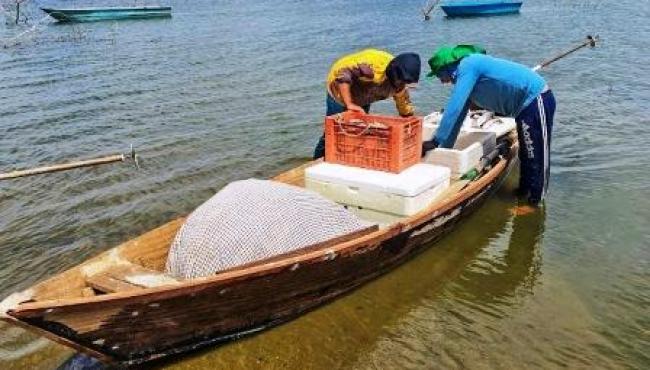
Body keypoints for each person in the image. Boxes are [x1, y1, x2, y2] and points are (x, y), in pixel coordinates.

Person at [423, 45, 556, 206]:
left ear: (446, 67)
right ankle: (524, 191)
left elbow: (455, 106)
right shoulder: (466, 76)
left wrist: (436, 140)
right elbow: (458, 116)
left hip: (536, 99)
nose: (442, 81)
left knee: (536, 155)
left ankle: (535, 202)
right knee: (526, 153)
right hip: (523, 109)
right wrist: (444, 150)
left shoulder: (468, 65)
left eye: (439, 75)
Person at [313, 48, 421, 159]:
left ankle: (346, 157)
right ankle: (317, 160)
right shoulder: (371, 67)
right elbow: (342, 76)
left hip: (364, 94)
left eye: (404, 82)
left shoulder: (400, 84)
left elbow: (403, 104)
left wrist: (409, 120)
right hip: (339, 89)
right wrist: (349, 104)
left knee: (358, 129)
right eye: (399, 80)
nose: (400, 84)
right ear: (393, 71)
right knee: (332, 132)